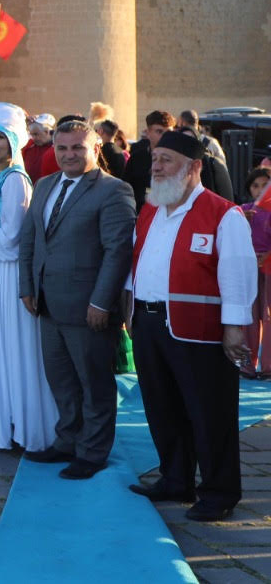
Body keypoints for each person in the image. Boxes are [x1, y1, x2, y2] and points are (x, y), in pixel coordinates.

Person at [126, 131, 257, 520]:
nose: (157, 166)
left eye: (167, 159)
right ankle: (175, 479)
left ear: (195, 167)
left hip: (198, 329)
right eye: (155, 159)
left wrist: (235, 326)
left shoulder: (223, 213)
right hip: (149, 323)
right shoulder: (151, 208)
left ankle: (218, 492)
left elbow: (238, 272)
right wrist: (127, 306)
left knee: (209, 412)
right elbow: (139, 261)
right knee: (161, 406)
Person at [18, 119, 136, 480]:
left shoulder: (114, 190)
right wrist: (27, 287)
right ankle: (67, 441)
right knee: (61, 380)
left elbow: (117, 252)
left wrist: (102, 303)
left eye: (77, 148)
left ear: (95, 149)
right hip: (47, 303)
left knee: (93, 383)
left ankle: (92, 452)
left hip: (89, 307)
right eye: (62, 148)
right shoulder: (44, 185)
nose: (69, 155)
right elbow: (30, 239)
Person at [0, 64, 56, 452]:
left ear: (13, 142)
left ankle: (24, 425)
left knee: (13, 347)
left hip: (7, 273)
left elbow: (9, 238)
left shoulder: (15, 181)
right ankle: (3, 421)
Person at [240, 168, 271, 377]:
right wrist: (242, 220)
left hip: (269, 268)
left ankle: (268, 366)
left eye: (264, 185)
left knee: (268, 316)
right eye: (255, 185)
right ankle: (247, 364)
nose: (260, 190)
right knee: (249, 317)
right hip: (248, 268)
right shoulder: (242, 210)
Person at [125, 111, 172, 207]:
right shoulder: (136, 159)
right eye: (159, 132)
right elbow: (125, 189)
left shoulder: (178, 160)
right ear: (148, 133)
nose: (165, 137)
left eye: (168, 133)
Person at [22, 116, 55, 183]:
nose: (33, 138)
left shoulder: (57, 148)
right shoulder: (29, 145)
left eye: (36, 134)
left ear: (46, 132)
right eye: (32, 135)